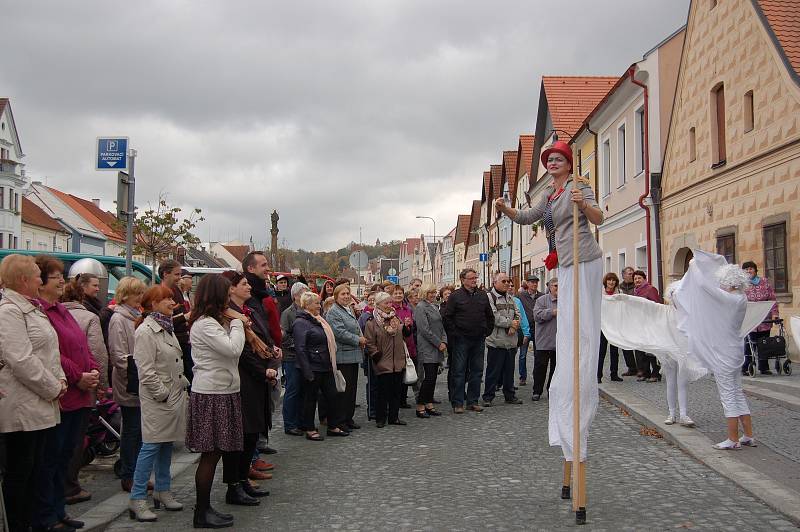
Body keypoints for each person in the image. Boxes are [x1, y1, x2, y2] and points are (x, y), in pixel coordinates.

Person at [496, 139, 605, 497]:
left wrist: (583, 205)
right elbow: (529, 218)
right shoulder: (551, 195)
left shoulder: (578, 185)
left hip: (584, 259)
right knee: (569, 331)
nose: (554, 163)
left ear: (568, 163)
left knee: (583, 324)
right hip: (566, 262)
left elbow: (599, 216)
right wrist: (505, 209)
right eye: (550, 160)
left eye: (558, 158)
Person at [0, 255, 67, 532]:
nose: (42, 279)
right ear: (24, 280)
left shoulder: (31, 308)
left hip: (41, 405)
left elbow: (50, 353)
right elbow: (21, 360)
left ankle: (34, 522)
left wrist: (60, 380)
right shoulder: (9, 311)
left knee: (37, 470)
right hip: (23, 408)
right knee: (21, 474)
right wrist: (53, 388)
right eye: (37, 275)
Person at [34, 255, 101, 532]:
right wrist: (79, 376)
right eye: (55, 276)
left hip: (81, 395)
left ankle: (60, 510)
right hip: (65, 395)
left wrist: (94, 370)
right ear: (39, 282)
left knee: (66, 458)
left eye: (62, 275)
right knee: (51, 459)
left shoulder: (61, 310)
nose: (62, 280)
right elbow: (54, 355)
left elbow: (82, 346)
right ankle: (47, 515)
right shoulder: (41, 313)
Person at [671, 251, 762, 450]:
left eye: (723, 283)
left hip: (724, 353)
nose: (721, 286)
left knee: (728, 395)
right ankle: (748, 435)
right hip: (736, 350)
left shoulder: (730, 299)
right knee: (737, 392)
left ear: (729, 283)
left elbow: (704, 286)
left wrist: (694, 265)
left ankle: (733, 439)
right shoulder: (741, 298)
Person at [186, 274, 247, 528]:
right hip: (212, 393)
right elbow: (233, 349)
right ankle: (201, 512)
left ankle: (206, 507)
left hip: (222, 389)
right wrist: (238, 323)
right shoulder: (205, 324)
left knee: (217, 452)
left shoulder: (212, 321)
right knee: (210, 455)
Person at [127, 285, 189, 522]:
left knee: (165, 445)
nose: (172, 303)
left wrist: (181, 383)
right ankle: (138, 497)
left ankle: (163, 490)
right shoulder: (145, 331)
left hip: (172, 395)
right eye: (166, 300)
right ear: (153, 304)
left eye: (171, 299)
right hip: (158, 399)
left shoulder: (166, 327)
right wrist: (162, 393)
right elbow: (146, 370)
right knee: (151, 446)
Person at [222, 270, 275, 499]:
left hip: (256, 377)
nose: (249, 287)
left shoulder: (248, 310)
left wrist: (270, 354)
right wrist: (263, 369)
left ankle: (243, 480)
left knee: (253, 432)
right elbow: (241, 350)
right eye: (244, 284)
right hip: (243, 378)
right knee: (243, 434)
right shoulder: (229, 315)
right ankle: (235, 484)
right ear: (231, 288)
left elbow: (263, 337)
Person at [60, 275, 110, 505]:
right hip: (82, 384)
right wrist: (100, 383)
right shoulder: (88, 316)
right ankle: (69, 485)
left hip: (65, 385)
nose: (98, 290)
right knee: (74, 439)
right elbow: (97, 351)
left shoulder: (59, 315)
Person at [108, 276, 148, 493]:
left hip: (139, 380)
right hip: (129, 382)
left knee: (140, 430)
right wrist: (138, 372)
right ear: (126, 295)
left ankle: (138, 474)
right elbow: (118, 354)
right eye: (137, 294)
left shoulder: (136, 316)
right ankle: (129, 474)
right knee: (132, 430)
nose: (140, 298)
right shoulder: (119, 319)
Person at [292, 291, 348, 440]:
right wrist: (307, 371)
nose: (319, 305)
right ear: (307, 305)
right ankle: (309, 428)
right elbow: (300, 348)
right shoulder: (300, 322)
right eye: (316, 303)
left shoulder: (318, 319)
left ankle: (333, 425)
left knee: (332, 396)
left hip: (325, 365)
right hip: (312, 367)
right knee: (310, 399)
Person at [441, 268, 494, 414]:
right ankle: (458, 402)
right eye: (471, 278)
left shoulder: (482, 295)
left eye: (475, 278)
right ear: (463, 280)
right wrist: (455, 334)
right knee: (459, 371)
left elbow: (489, 315)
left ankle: (473, 401)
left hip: (478, 338)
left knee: (477, 371)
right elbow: (447, 317)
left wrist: (487, 330)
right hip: (461, 339)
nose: (474, 280)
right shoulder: (455, 296)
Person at [364, 292, 409, 427]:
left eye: (390, 302)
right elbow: (369, 342)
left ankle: (394, 417)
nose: (389, 305)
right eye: (386, 303)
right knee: (382, 392)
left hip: (398, 360)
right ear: (378, 305)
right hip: (383, 360)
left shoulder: (396, 318)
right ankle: (380, 418)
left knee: (396, 391)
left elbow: (404, 335)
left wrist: (407, 327)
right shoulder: (372, 322)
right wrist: (376, 355)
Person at [325, 284, 366, 431]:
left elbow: (356, 326)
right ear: (336, 296)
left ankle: (349, 418)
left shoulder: (348, 309)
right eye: (343, 294)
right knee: (343, 391)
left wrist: (361, 337)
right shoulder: (333, 312)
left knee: (352, 390)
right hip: (343, 355)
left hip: (353, 355)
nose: (346, 296)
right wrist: (358, 339)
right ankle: (340, 420)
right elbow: (339, 333)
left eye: (348, 293)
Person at [482, 272, 524, 407]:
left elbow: (518, 314)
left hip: (511, 341)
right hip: (496, 341)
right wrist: (510, 323)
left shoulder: (510, 298)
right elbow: (494, 317)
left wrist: (515, 324)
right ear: (495, 282)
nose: (507, 284)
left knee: (509, 371)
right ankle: (488, 396)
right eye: (504, 281)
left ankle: (509, 395)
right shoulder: (489, 297)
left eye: (508, 281)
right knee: (493, 371)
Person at [280, 282, 310, 436]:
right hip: (292, 357)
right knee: (292, 390)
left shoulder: (308, 311)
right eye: (306, 293)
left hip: (305, 357)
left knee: (303, 390)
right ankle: (290, 423)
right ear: (296, 295)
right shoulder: (288, 313)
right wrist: (301, 345)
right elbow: (283, 337)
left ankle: (300, 421)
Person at [413, 284, 447, 418]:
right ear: (424, 293)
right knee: (429, 377)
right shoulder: (421, 307)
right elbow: (424, 330)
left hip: (437, 346)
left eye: (434, 292)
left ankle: (428, 403)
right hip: (427, 347)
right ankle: (420, 405)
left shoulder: (434, 306)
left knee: (433, 378)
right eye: (430, 293)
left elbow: (441, 326)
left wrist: (444, 340)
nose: (433, 295)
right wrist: (439, 343)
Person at [741, 261, 779, 375]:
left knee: (764, 343)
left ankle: (764, 367)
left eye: (750, 268)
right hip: (750, 319)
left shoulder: (764, 282)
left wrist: (775, 314)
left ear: (755, 270)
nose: (748, 271)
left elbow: (772, 299)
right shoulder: (742, 285)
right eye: (746, 269)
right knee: (749, 344)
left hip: (764, 319)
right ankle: (746, 367)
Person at [158, 260, 192, 383]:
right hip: (174, 342)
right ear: (166, 274)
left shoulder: (176, 290)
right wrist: (185, 317)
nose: (179, 278)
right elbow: (161, 321)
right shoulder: (160, 292)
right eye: (177, 274)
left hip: (183, 340)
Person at [532, 278, 558, 402]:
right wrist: (551, 312)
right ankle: (537, 391)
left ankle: (551, 390)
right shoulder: (541, 300)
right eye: (555, 286)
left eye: (560, 286)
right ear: (549, 287)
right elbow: (537, 316)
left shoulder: (566, 300)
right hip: (543, 340)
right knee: (540, 367)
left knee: (555, 368)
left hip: (558, 341)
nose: (557, 288)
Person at [633, 270, 662, 382]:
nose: (637, 280)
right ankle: (645, 372)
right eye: (635, 279)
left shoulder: (651, 289)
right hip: (639, 324)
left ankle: (656, 373)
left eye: (639, 278)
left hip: (651, 323)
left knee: (652, 349)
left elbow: (656, 305)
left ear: (644, 279)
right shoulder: (635, 292)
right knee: (642, 349)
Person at [390, 285, 416, 409]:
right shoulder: (390, 309)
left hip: (408, 342)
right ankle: (396, 399)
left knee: (406, 371)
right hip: (397, 344)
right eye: (395, 293)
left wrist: (408, 326)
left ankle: (403, 399)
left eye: (400, 293)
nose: (398, 295)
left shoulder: (407, 309)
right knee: (398, 373)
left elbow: (412, 326)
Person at [516, 275, 542, 386]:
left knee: (538, 354)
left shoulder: (541, 296)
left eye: (536, 282)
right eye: (532, 282)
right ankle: (523, 377)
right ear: (527, 284)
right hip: (525, 329)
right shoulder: (521, 296)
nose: (534, 284)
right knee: (522, 354)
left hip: (538, 328)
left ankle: (537, 375)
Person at [598, 273, 623, 383]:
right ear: (606, 281)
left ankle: (614, 373)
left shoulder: (619, 293)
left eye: (613, 280)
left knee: (614, 351)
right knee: (601, 351)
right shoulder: (600, 293)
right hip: (602, 325)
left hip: (614, 325)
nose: (611, 282)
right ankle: (598, 375)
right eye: (609, 280)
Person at [618, 267, 638, 376]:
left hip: (635, 318)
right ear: (623, 275)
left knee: (638, 343)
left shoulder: (636, 287)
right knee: (625, 344)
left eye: (632, 273)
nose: (631, 275)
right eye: (629, 273)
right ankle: (631, 367)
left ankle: (641, 368)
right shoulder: (619, 287)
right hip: (623, 319)